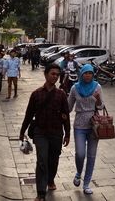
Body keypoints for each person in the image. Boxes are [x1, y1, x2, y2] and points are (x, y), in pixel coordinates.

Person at [19, 64, 70, 201]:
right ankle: (41, 193)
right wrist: (22, 131)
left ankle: (50, 179)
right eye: (53, 74)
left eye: (57, 75)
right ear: (46, 74)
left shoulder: (61, 95)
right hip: (40, 132)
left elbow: (66, 115)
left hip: (56, 132)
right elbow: (29, 114)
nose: (55, 77)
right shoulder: (36, 94)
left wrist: (67, 134)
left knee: (53, 159)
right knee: (42, 160)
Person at [68, 64, 103, 195]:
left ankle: (86, 184)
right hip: (79, 125)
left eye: (90, 73)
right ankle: (78, 173)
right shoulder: (75, 88)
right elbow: (68, 107)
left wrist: (98, 99)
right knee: (80, 154)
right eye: (85, 73)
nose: (88, 75)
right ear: (81, 74)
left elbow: (101, 106)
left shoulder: (97, 87)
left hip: (94, 126)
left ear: (93, 75)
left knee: (91, 156)